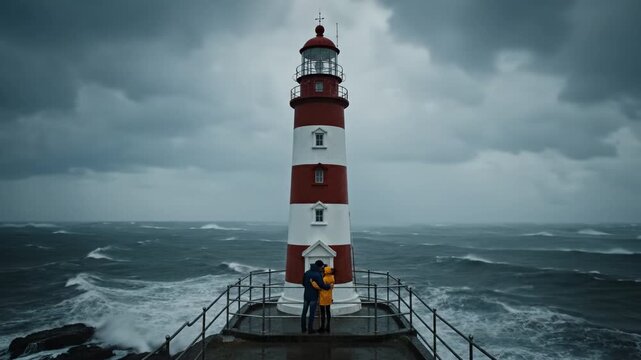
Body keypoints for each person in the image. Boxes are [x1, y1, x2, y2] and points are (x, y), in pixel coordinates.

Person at [301, 260, 330, 333]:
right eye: (322, 267)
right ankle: (310, 329)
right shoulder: (318, 274)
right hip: (313, 296)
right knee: (311, 313)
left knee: (304, 312)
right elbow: (322, 285)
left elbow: (303, 283)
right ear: (320, 266)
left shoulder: (307, 272)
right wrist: (328, 286)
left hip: (306, 295)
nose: (322, 269)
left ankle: (303, 328)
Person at [312, 265, 335, 333]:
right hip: (329, 297)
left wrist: (313, 282)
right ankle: (328, 326)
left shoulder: (324, 279)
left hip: (322, 297)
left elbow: (320, 287)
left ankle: (322, 326)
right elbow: (331, 287)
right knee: (328, 312)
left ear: (325, 271)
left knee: (322, 313)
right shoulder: (332, 278)